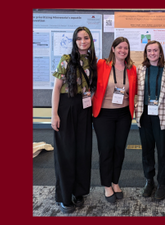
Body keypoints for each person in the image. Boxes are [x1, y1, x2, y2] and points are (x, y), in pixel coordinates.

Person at [51, 27, 97, 214]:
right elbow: (56, 88)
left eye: (86, 38)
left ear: (91, 40)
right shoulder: (66, 60)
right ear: (74, 41)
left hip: (84, 109)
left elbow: (92, 87)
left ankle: (79, 191)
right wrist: (54, 114)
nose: (82, 41)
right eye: (79, 38)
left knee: (82, 151)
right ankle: (64, 195)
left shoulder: (92, 62)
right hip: (66, 107)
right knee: (66, 153)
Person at [92, 37, 137, 203]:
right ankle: (107, 185)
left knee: (119, 149)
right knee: (106, 150)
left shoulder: (132, 69)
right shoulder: (101, 65)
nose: (122, 51)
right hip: (103, 115)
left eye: (125, 48)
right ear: (113, 49)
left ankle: (115, 182)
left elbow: (135, 91)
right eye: (119, 48)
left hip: (123, 114)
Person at [135, 41, 165, 200]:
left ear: (160, 52)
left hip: (162, 115)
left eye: (155, 50)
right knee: (147, 151)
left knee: (163, 152)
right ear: (146, 53)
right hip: (145, 115)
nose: (152, 53)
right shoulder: (141, 69)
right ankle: (149, 181)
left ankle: (162, 183)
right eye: (149, 50)